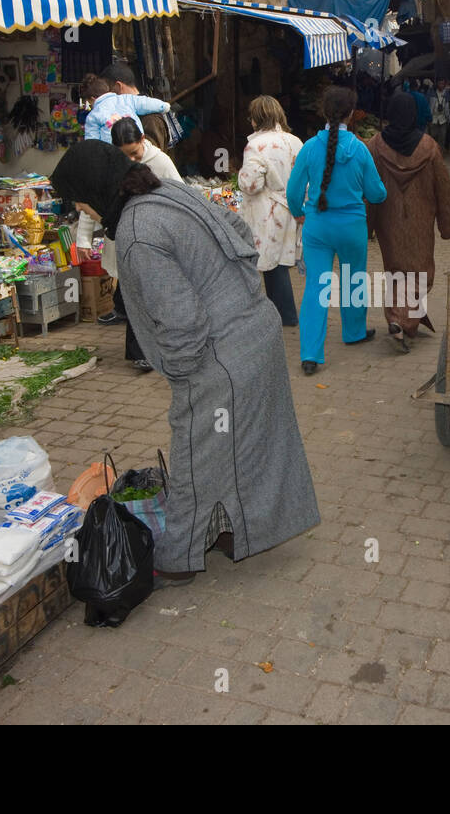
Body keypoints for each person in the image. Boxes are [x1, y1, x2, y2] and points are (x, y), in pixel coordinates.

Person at [50, 141, 320, 577]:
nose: (82, 208)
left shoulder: (138, 231)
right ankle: (237, 530)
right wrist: (233, 289)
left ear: (97, 190)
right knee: (246, 447)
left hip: (221, 357)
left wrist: (182, 374)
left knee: (197, 458)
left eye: (80, 198)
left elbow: (181, 320)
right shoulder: (168, 192)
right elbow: (238, 229)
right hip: (256, 332)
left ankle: (177, 560)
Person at [286, 86, 387, 376]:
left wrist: (299, 213)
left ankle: (310, 354)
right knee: (353, 279)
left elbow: (293, 191)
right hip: (352, 226)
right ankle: (353, 332)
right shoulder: (359, 149)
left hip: (317, 226)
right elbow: (377, 193)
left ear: (323, 111)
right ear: (352, 114)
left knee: (316, 287)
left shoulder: (308, 147)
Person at [80, 118, 187, 371]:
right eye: (126, 155)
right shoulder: (109, 166)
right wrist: (83, 239)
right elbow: (90, 202)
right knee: (136, 295)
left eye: (135, 153)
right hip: (124, 238)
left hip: (155, 238)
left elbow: (182, 194)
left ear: (143, 141)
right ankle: (141, 352)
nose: (133, 160)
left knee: (147, 296)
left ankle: (150, 349)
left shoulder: (160, 161)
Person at [366, 92, 450, 353]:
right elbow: (443, 187)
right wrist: (447, 223)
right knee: (420, 272)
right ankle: (403, 321)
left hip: (388, 219)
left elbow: (369, 188)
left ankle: (399, 317)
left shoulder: (375, 145)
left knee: (396, 270)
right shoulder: (428, 147)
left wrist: (368, 225)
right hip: (420, 218)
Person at [239, 95, 303, 327]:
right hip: (292, 208)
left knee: (270, 264)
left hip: (266, 212)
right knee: (279, 262)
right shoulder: (296, 141)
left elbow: (250, 184)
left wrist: (239, 176)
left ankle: (284, 315)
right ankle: (282, 314)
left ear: (256, 119)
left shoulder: (255, 145)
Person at [84, 62, 171, 143]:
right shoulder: (145, 106)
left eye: (107, 90)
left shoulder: (150, 118)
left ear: (118, 86)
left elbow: (143, 155)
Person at [427, 78, 450, 154]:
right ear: (437, 84)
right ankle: (433, 153)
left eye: (442, 83)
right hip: (433, 117)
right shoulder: (431, 92)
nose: (441, 85)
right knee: (433, 136)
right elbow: (427, 104)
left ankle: (440, 153)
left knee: (442, 137)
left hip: (443, 118)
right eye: (439, 83)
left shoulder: (447, 93)